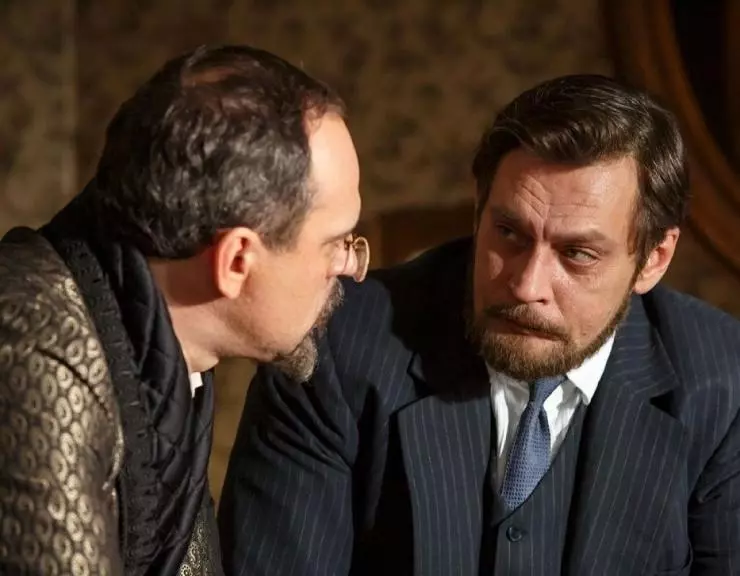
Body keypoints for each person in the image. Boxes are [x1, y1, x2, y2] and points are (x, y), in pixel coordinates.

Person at [219, 74, 740, 576]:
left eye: (578, 254)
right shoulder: (335, 345)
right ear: (478, 212)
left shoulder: (722, 385)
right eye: (509, 233)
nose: (527, 285)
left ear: (653, 259)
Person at [0, 44, 369, 575]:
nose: (350, 266)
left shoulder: (170, 351)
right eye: (334, 242)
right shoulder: (34, 348)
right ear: (236, 260)